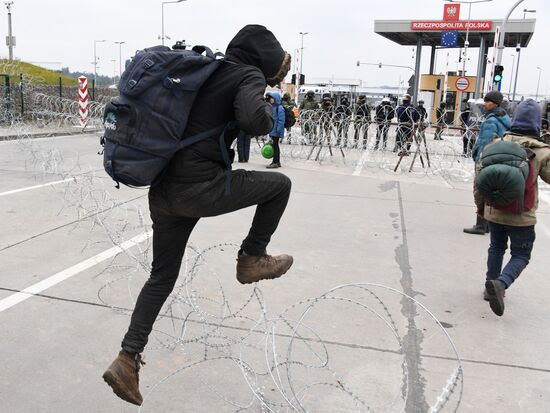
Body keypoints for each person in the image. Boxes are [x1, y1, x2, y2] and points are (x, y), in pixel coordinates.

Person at [102, 25, 293, 406]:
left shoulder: (206, 71)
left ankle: (126, 359)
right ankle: (252, 258)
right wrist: (276, 110)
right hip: (200, 188)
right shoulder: (247, 74)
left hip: (164, 190)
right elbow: (254, 120)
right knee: (280, 186)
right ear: (264, 58)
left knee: (161, 276)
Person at [475, 99, 550, 316]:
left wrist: (481, 208)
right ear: (538, 123)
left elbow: (479, 179)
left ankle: (490, 285)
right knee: (521, 255)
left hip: (495, 210)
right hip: (522, 215)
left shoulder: (496, 144)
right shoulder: (542, 151)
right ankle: (501, 283)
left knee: (496, 247)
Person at [464, 90, 511, 235]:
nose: (485, 104)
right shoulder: (503, 118)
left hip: (486, 159)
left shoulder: (491, 121)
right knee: (491, 191)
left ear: (495, 103)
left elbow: (485, 142)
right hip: (499, 158)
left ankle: (480, 225)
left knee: (480, 191)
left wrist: (477, 156)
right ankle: (489, 224)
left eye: (488, 101)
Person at [266, 92, 286, 168]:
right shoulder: (272, 107)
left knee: (275, 147)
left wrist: (278, 130)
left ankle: (275, 162)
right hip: (273, 130)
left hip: (276, 131)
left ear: (276, 99)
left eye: (272, 98)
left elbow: (281, 120)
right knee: (275, 146)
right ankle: (276, 162)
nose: (270, 100)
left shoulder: (279, 108)